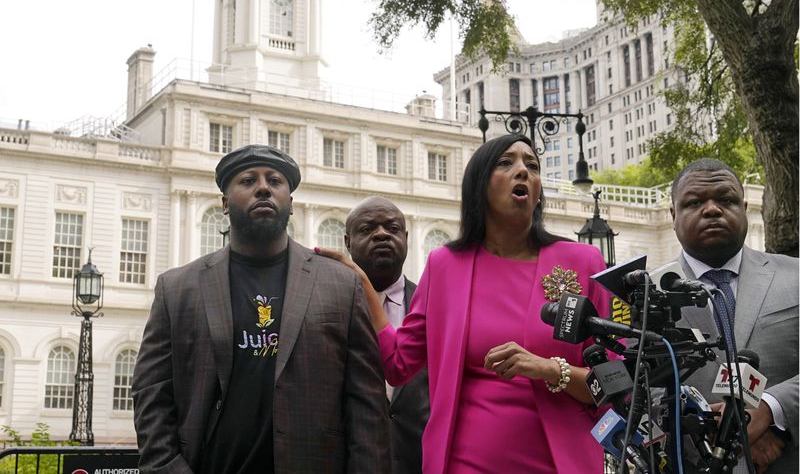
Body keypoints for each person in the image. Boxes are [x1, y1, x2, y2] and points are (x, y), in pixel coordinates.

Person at [319, 134, 613, 473]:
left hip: (562, 461)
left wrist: (548, 369)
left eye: (531, 165)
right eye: (506, 163)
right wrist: (362, 284)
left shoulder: (583, 261)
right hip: (464, 462)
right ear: (479, 185)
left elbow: (616, 382)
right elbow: (397, 364)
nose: (523, 171)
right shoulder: (445, 265)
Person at [132, 145, 390, 474]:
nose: (264, 187)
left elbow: (367, 402)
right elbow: (151, 392)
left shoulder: (340, 284)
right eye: (248, 180)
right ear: (224, 204)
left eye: (275, 181)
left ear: (291, 203)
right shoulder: (177, 288)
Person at [670, 158, 798, 474]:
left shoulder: (796, 276)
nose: (712, 209)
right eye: (694, 202)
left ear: (744, 207)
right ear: (673, 216)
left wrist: (774, 412)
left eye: (725, 200)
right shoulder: (646, 298)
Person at [344, 196, 430, 474]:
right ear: (347, 242)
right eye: (368, 229)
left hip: (421, 462)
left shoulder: (435, 306)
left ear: (405, 237)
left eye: (392, 229)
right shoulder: (328, 306)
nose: (381, 234)